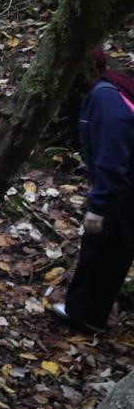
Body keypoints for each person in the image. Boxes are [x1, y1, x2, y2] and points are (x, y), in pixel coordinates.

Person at [49, 52, 134, 333]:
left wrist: (98, 206)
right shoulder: (108, 91)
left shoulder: (106, 97)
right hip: (122, 191)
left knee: (102, 246)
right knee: (107, 249)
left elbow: (114, 153)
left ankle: (86, 313)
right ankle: (87, 314)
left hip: (122, 190)